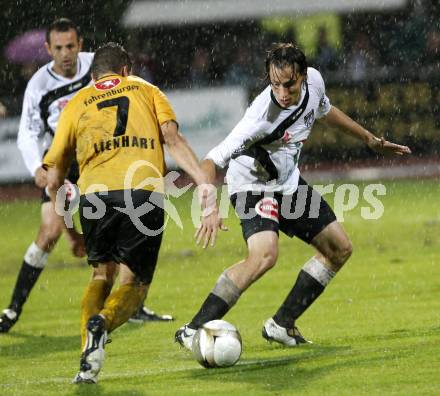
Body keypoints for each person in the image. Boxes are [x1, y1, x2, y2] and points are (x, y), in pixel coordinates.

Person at [175, 43, 411, 349]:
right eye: (275, 84)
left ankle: (281, 324)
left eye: (289, 84)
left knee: (339, 249)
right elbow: (210, 162)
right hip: (251, 185)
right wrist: (208, 205)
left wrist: (369, 140)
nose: (282, 92)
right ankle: (193, 329)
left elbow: (325, 109)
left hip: (287, 183)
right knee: (264, 256)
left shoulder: (315, 81)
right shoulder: (260, 118)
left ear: (302, 76)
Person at [43, 42, 220, 383]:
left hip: (95, 198)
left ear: (92, 76)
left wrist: (68, 227)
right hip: (143, 193)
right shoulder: (147, 89)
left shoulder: (76, 103)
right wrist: (203, 183)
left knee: (99, 276)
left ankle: (88, 361)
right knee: (135, 285)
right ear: (126, 71)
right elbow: (173, 139)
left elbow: (53, 179)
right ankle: (103, 324)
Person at [0, 19, 168, 334]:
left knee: (121, 226)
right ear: (48, 49)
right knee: (50, 231)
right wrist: (37, 166)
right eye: (59, 48)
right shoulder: (39, 84)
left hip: (101, 157)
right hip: (64, 162)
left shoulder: (98, 67)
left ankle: (132, 304)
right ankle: (13, 308)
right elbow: (27, 132)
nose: (66, 54)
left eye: (71, 46)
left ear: (80, 44)